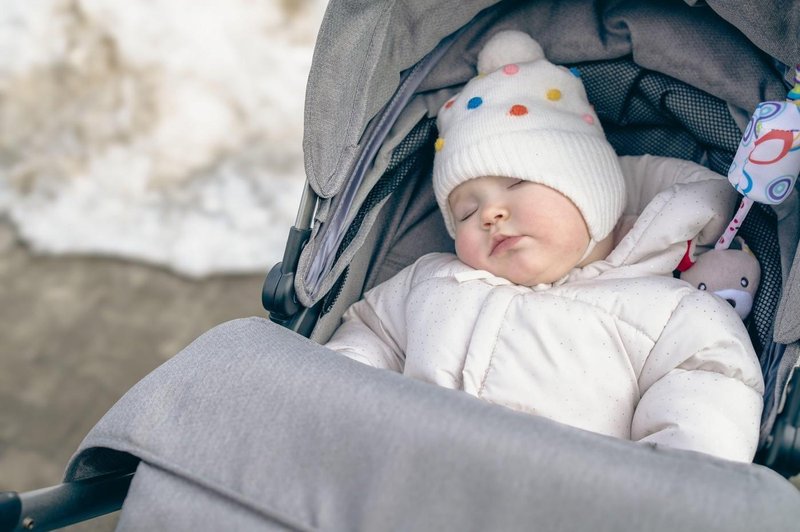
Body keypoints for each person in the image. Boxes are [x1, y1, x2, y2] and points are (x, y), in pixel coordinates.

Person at [325, 30, 764, 462]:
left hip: (565, 500)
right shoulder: (428, 282)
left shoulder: (672, 312)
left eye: (517, 182)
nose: (489, 214)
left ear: (590, 192)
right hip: (404, 476)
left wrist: (659, 498)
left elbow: (707, 404)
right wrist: (335, 409)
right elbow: (370, 336)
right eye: (464, 212)